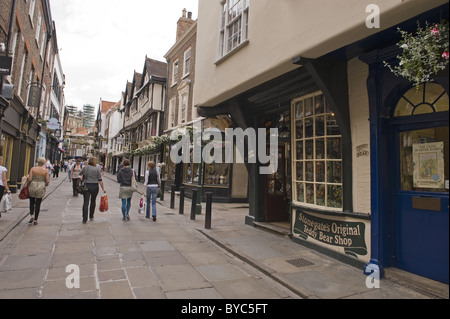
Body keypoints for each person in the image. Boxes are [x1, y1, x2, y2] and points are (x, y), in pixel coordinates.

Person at [80, 157, 106, 224]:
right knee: (93, 201)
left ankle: (84, 218)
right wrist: (103, 188)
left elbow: (80, 173)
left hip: (87, 186)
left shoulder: (86, 167)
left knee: (86, 202)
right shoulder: (97, 169)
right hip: (95, 186)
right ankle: (91, 216)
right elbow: (100, 179)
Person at [27, 157, 50, 225]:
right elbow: (47, 181)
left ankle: (31, 215)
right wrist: (44, 184)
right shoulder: (45, 171)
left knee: (31, 201)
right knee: (38, 203)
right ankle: (35, 220)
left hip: (33, 186)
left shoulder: (33, 169)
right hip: (41, 186)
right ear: (43, 163)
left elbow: (30, 179)